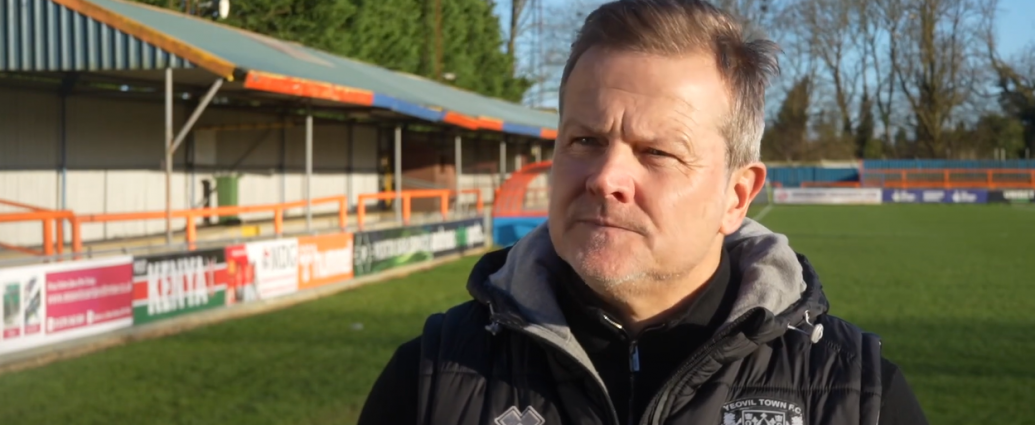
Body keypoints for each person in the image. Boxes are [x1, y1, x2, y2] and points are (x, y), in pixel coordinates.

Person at [358, 1, 929, 424]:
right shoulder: (430, 379)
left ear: (736, 196)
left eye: (658, 152)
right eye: (584, 140)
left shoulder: (858, 396)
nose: (606, 177)